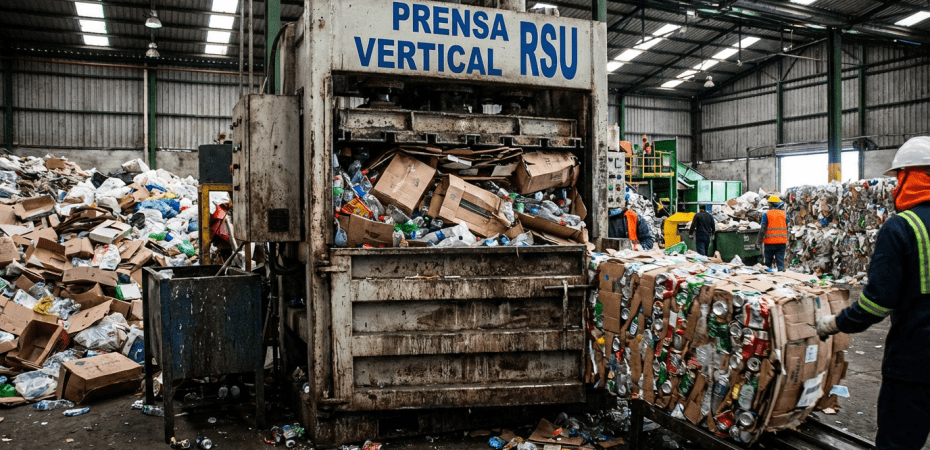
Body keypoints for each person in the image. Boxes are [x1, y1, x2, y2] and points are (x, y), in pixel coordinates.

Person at [817, 136, 930, 450]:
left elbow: (876, 305)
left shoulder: (902, 227)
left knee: (899, 442)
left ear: (911, 177)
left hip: (915, 363)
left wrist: (835, 323)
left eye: (898, 179)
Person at [757, 195, 790, 271]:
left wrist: (758, 242)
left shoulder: (766, 214)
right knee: (780, 264)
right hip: (781, 243)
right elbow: (787, 222)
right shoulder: (785, 214)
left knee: (768, 264)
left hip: (769, 243)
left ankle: (768, 280)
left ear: (770, 205)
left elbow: (762, 229)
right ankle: (781, 279)